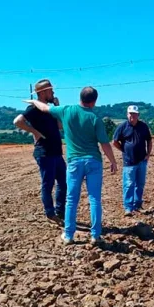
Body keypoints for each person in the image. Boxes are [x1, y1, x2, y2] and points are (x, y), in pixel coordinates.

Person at [24, 86, 118, 245]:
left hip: (75, 162)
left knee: (71, 199)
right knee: (94, 199)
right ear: (94, 101)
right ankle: (95, 235)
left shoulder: (66, 110)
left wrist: (33, 100)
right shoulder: (95, 118)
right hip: (93, 161)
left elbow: (45, 108)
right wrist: (113, 161)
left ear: (80, 97)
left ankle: (68, 235)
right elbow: (105, 144)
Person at [13, 79, 66, 222]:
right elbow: (17, 121)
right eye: (51, 90)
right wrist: (34, 132)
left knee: (63, 182)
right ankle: (50, 213)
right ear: (43, 92)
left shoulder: (49, 109)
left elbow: (60, 126)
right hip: (44, 152)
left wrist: (57, 107)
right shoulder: (33, 109)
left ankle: (60, 212)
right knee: (48, 184)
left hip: (56, 151)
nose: (53, 93)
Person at [112, 105, 153, 216]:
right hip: (129, 162)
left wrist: (148, 154)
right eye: (130, 114)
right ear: (127, 114)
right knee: (129, 184)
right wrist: (124, 150)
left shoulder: (143, 126)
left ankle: (137, 204)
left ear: (138, 115)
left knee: (140, 183)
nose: (132, 116)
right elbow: (115, 141)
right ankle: (128, 207)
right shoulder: (122, 127)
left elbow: (149, 140)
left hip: (142, 161)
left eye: (134, 114)